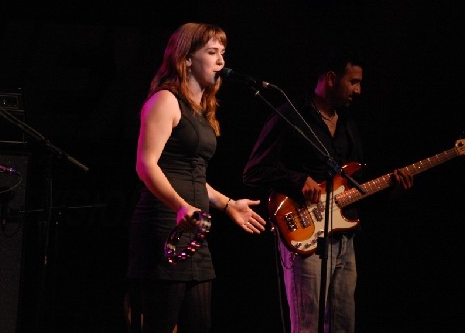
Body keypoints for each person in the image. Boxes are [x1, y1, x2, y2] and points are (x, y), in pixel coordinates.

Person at [242, 47, 414, 333]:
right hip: (305, 235)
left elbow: (358, 188)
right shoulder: (291, 115)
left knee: (343, 325)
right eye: (354, 81)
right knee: (307, 325)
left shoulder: (349, 126)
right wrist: (297, 180)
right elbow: (253, 170)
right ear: (332, 78)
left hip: (344, 239)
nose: (358, 90)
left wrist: (393, 189)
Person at [126, 22, 266, 333]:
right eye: (212, 52)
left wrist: (228, 204)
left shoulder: (200, 110)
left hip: (195, 227)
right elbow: (145, 164)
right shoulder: (165, 101)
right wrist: (179, 205)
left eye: (223, 53)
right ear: (187, 58)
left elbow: (190, 174)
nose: (221, 61)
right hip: (164, 225)